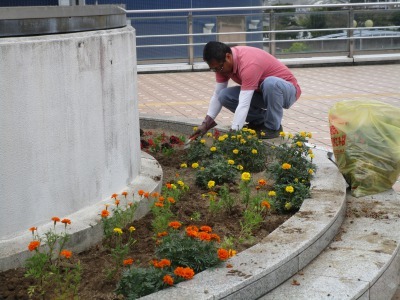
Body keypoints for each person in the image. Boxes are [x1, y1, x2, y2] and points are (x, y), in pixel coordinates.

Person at [192, 41, 301, 139]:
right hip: (262, 93)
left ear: (228, 57)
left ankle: (273, 128)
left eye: (218, 68)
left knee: (270, 83)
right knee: (223, 96)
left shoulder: (249, 63)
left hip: (287, 92)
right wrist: (206, 124)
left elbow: (244, 103)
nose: (217, 71)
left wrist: (234, 132)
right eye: (213, 69)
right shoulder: (221, 67)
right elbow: (216, 95)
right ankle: (260, 121)